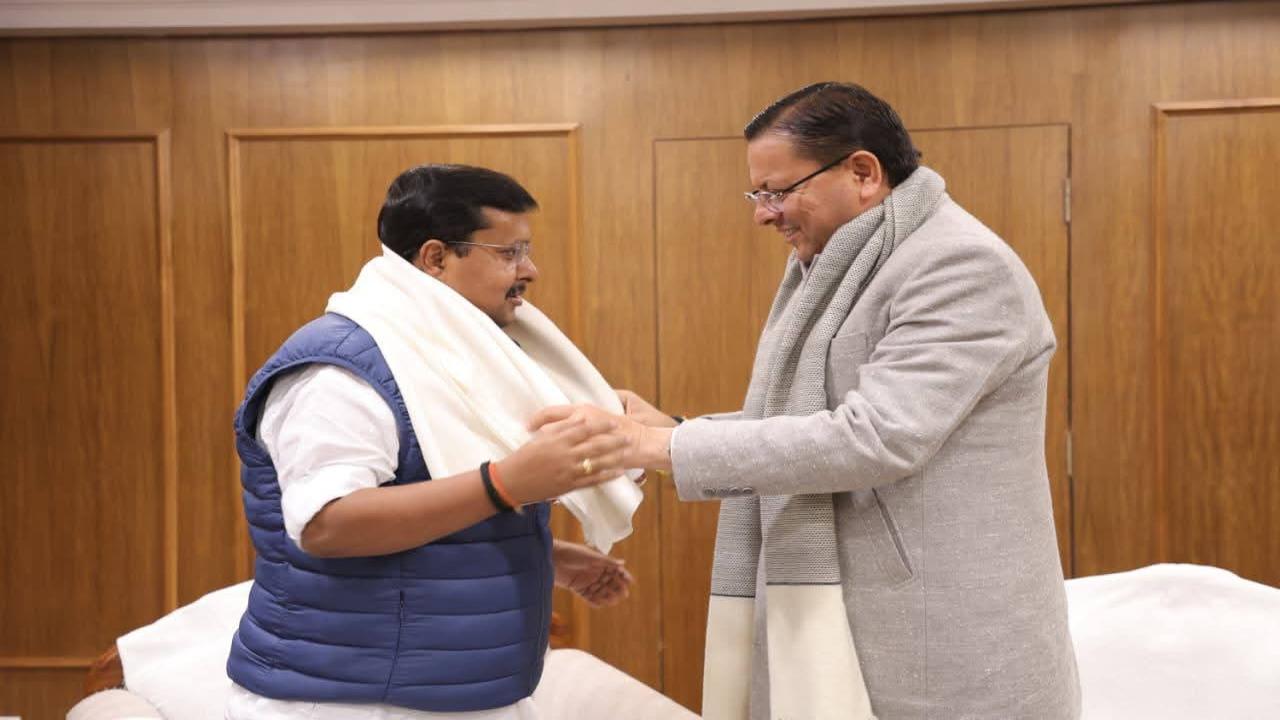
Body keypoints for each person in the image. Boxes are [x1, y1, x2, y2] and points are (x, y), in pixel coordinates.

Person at [536, 82, 1081, 719]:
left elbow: (875, 436)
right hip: (862, 610)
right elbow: (818, 418)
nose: (763, 215)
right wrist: (677, 426)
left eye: (777, 191)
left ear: (863, 172)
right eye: (757, 195)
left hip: (943, 628)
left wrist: (657, 445)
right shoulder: (841, 259)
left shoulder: (960, 265)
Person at [225, 164, 638, 720]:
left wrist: (543, 556)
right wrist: (508, 483)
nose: (530, 270)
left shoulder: (442, 355)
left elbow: (429, 489)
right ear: (436, 258)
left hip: (454, 694)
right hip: (350, 703)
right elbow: (326, 524)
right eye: (510, 253)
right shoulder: (340, 370)